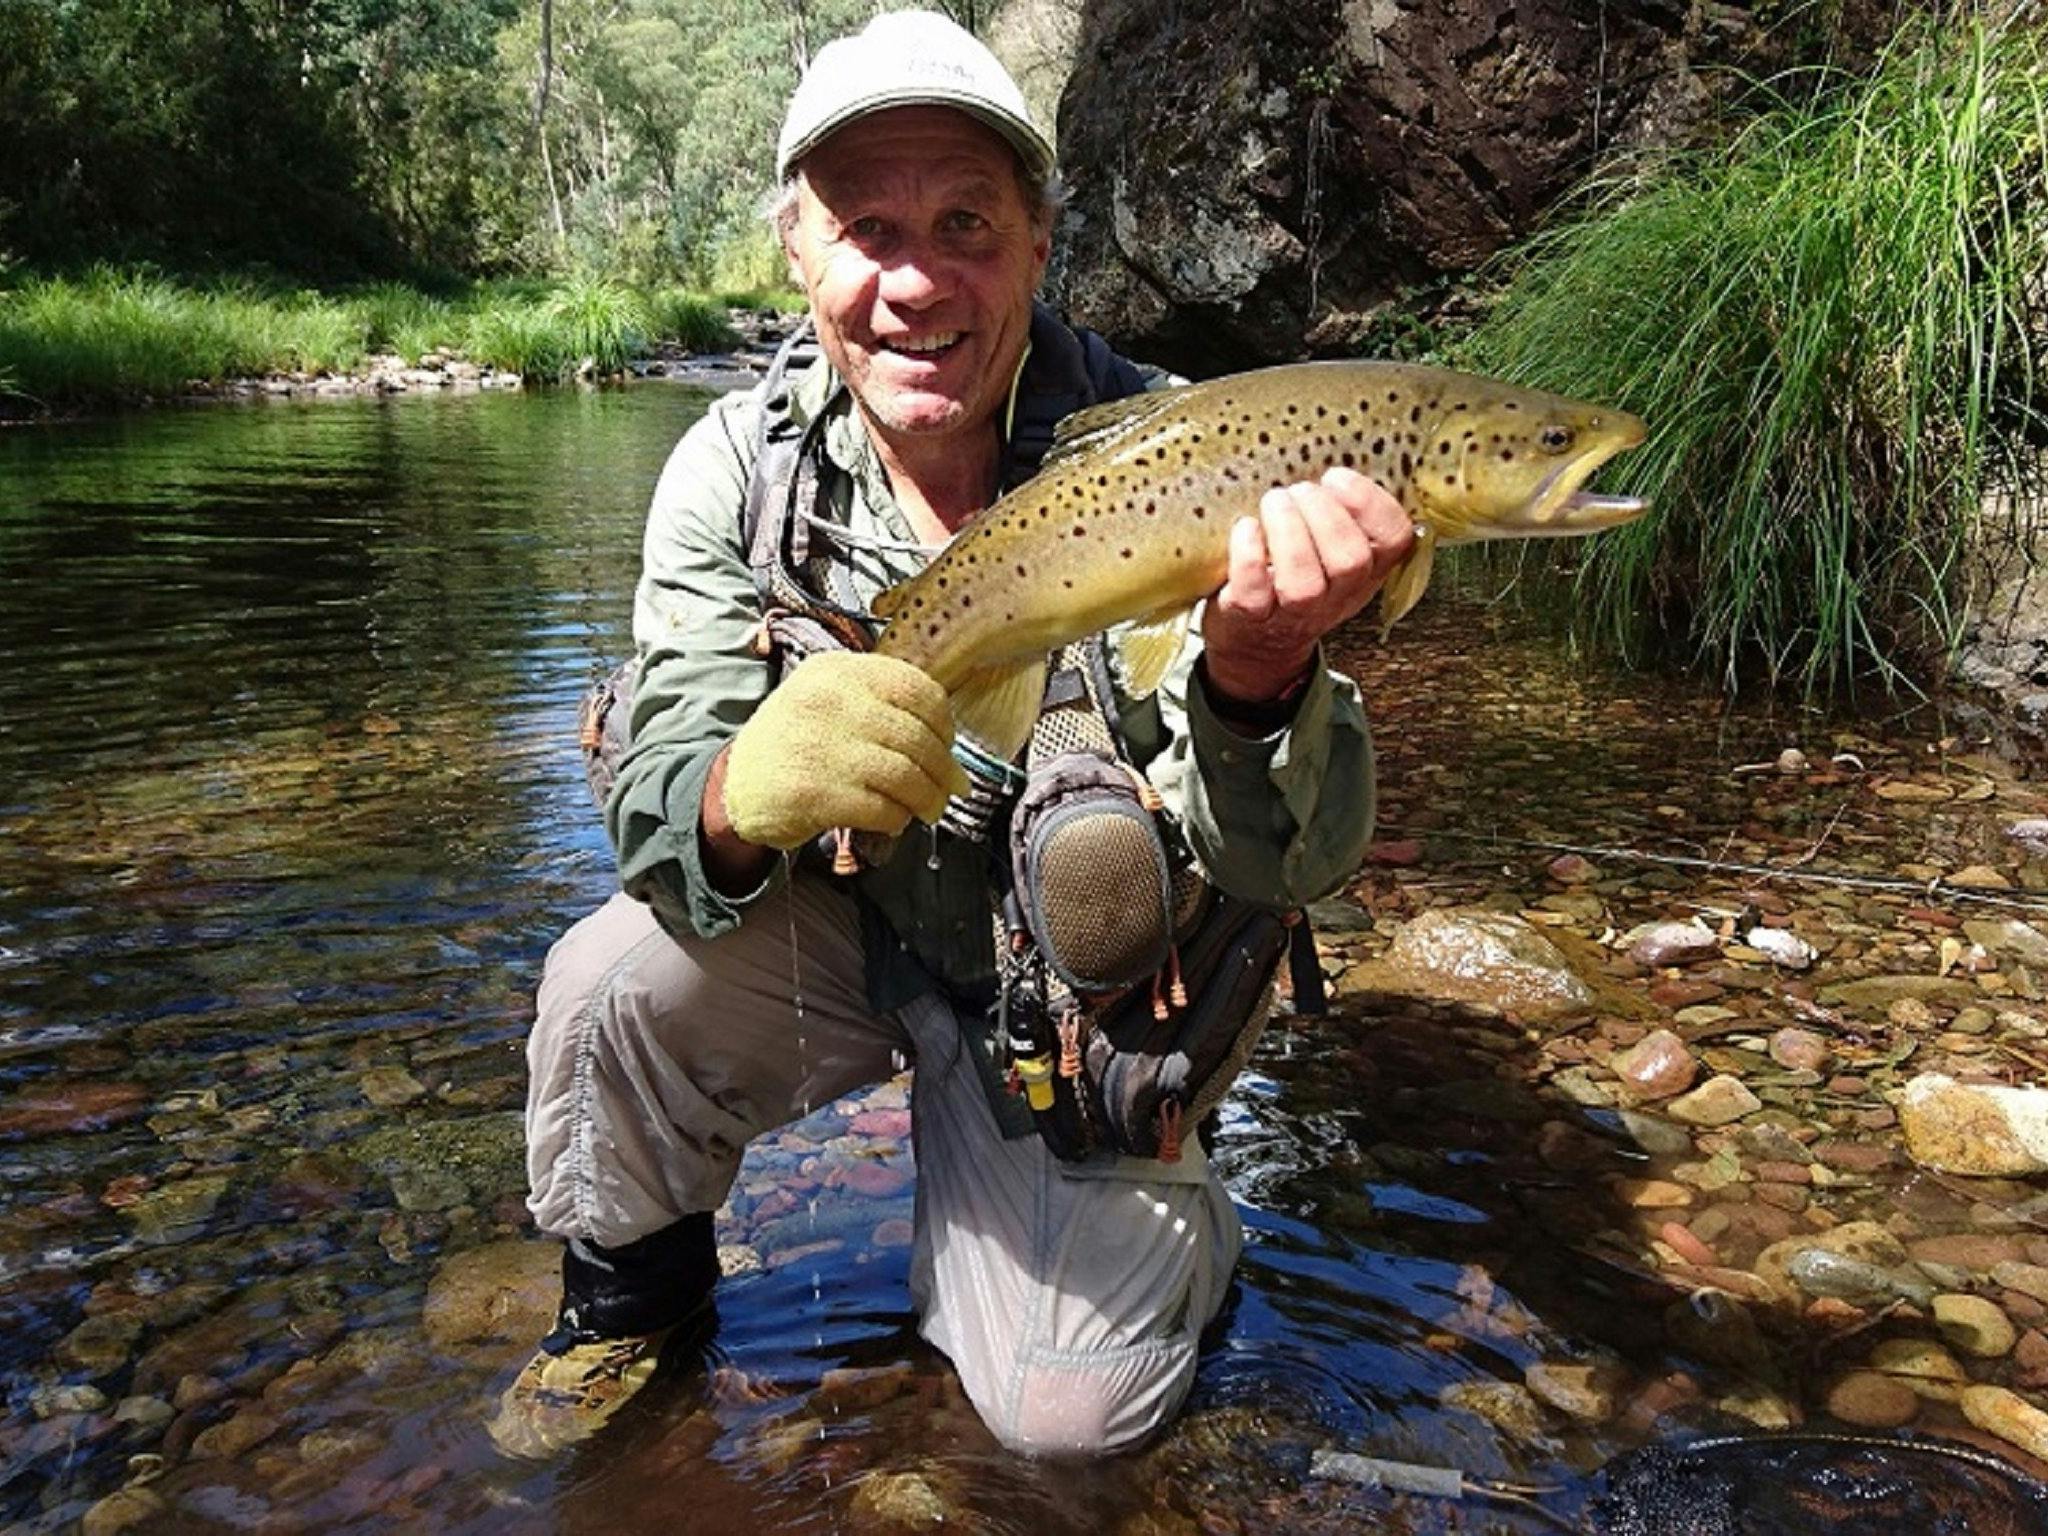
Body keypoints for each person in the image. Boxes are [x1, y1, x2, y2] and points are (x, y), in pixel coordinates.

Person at [489, 8, 1414, 1461]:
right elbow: (659, 821)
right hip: (843, 929)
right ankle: (629, 1309)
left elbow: (1290, 868)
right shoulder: (733, 473)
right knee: (610, 984)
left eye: (966, 225)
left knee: (1067, 1425)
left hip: (1079, 1002)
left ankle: (1163, 1200)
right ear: (798, 253)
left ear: (1041, 243)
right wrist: (736, 793)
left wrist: (1259, 675)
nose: (916, 281)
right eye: (868, 229)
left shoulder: (1190, 453)